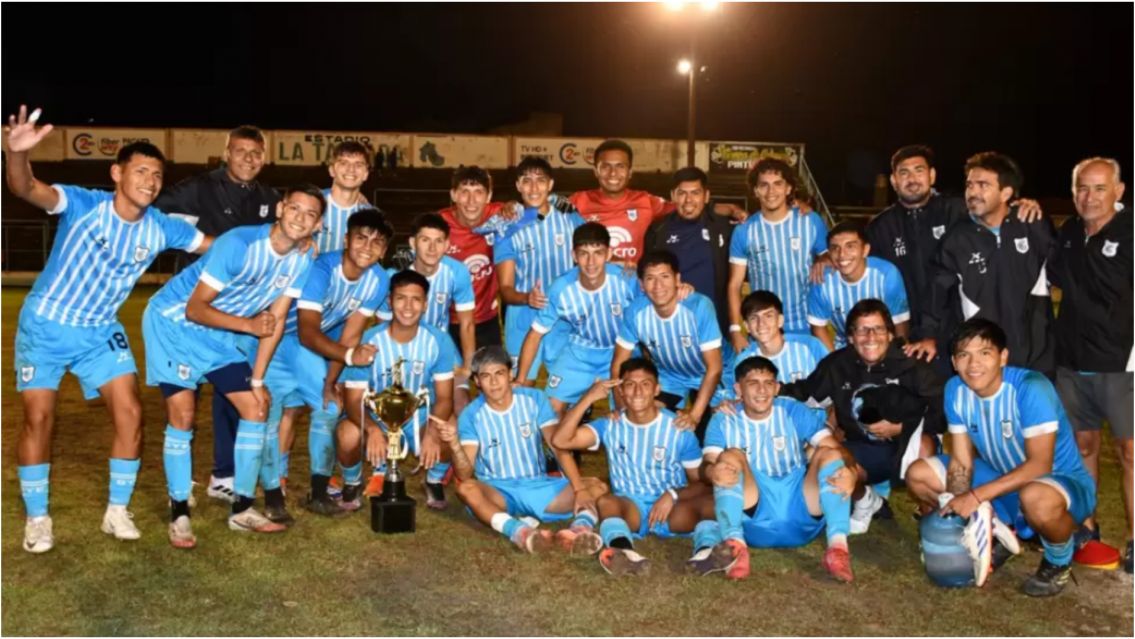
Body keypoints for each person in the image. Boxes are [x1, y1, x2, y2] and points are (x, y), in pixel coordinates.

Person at [7, 106, 209, 553]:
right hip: (47, 327)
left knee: (132, 412)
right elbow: (25, 188)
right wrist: (16, 154)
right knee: (38, 418)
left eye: (157, 175)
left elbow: (215, 247)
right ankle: (38, 518)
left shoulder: (162, 227)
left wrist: (276, 241)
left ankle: (116, 510)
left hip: (100, 332)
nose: (150, 182)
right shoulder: (83, 205)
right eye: (141, 171)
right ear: (117, 173)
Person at [144, 185, 324, 548]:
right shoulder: (238, 243)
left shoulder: (302, 259)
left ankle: (242, 508)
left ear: (317, 225)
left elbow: (275, 319)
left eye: (310, 214)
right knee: (183, 415)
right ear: (280, 209)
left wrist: (257, 379)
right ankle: (179, 511)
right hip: (173, 325)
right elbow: (195, 309)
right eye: (294, 208)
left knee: (256, 407)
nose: (300, 218)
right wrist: (248, 326)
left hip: (219, 334)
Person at [905, 319, 1097, 597]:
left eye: (984, 353)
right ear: (954, 362)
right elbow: (961, 460)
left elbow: (1040, 465)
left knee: (1036, 498)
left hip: (1058, 484)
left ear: (1003, 356)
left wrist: (975, 496)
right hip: (1003, 479)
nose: (974, 364)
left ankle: (1059, 558)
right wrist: (958, 505)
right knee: (918, 475)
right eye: (964, 355)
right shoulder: (955, 389)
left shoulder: (1031, 388)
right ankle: (995, 528)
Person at [155, 124, 281, 505]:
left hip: (240, 312)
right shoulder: (199, 188)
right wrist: (199, 243)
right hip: (193, 309)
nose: (248, 159)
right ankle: (179, 484)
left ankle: (223, 474)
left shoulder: (270, 198)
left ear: (264, 158)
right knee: (184, 397)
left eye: (255, 153)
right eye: (240, 151)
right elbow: (155, 213)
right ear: (226, 153)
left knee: (232, 392)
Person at [262, 209, 393, 516]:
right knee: (272, 413)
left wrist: (330, 381)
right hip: (278, 339)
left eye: (376, 242)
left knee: (329, 407)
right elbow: (307, 331)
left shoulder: (378, 280)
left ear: (385, 250)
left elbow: (351, 334)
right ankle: (273, 492)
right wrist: (345, 358)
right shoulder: (322, 268)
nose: (367, 247)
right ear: (346, 239)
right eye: (361, 238)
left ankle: (318, 493)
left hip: (311, 347)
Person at [867, 145, 1042, 371]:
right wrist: (826, 258)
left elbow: (995, 212)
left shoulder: (959, 210)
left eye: (919, 170)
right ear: (893, 180)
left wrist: (1020, 205)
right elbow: (860, 266)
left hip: (958, 330)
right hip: (905, 332)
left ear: (932, 175)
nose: (912, 179)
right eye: (904, 172)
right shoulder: (880, 227)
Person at [782, 299, 944, 534]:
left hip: (909, 445)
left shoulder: (912, 363)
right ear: (850, 337)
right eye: (862, 330)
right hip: (865, 448)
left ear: (890, 334)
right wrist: (768, 389)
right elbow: (805, 393)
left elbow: (943, 415)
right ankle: (866, 499)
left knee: (923, 444)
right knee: (830, 464)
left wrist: (902, 427)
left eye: (878, 329)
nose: (870, 337)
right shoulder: (839, 364)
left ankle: (932, 521)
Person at [552, 360, 720, 576]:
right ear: (621, 390)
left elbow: (702, 482)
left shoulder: (679, 428)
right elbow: (560, 440)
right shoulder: (609, 425)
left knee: (712, 500)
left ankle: (706, 552)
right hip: (630, 509)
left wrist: (672, 495)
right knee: (606, 501)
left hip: (670, 511)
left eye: (645, 384)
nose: (638, 391)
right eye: (630, 385)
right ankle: (623, 551)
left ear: (657, 389)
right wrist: (588, 398)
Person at [701, 356, 862, 582]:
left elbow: (836, 448)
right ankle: (735, 547)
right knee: (730, 457)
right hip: (754, 515)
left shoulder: (793, 410)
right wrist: (712, 472)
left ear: (777, 387)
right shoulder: (723, 419)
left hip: (801, 509)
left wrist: (852, 473)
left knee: (831, 454)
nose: (762, 390)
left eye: (768, 383)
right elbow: (706, 466)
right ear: (738, 389)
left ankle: (838, 549)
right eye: (753, 383)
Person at [433, 346, 607, 553]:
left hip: (538, 485)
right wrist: (454, 444)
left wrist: (578, 489)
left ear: (510, 374)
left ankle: (578, 531)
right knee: (466, 489)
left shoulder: (535, 399)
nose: (494, 382)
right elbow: (464, 474)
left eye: (499, 373)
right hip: (498, 491)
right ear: (477, 381)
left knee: (596, 487)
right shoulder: (471, 415)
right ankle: (519, 532)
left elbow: (557, 446)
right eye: (486, 376)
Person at [1048, 157, 1131, 572]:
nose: (1090, 197)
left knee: (1130, 452)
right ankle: (1086, 528)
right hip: (1072, 362)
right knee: (1082, 447)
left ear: (1119, 191)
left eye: (1100, 188)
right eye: (1082, 188)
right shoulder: (1068, 232)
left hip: (1122, 362)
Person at [922, 152, 1056, 377]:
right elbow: (936, 296)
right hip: (982, 365)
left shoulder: (1034, 225)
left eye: (983, 185)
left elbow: (1064, 269)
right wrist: (927, 334)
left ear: (1006, 193)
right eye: (969, 185)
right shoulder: (956, 240)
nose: (973, 192)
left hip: (1036, 361)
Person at [337, 270, 457, 510]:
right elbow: (353, 400)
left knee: (449, 428)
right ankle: (352, 482)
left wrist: (433, 433)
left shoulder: (438, 340)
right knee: (347, 433)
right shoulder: (369, 340)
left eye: (416, 299)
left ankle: (433, 480)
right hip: (378, 415)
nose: (408, 307)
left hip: (418, 415)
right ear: (390, 301)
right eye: (401, 298)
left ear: (425, 304)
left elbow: (445, 398)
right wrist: (372, 429)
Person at [514, 223, 641, 413]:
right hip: (580, 354)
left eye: (598, 253)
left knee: (629, 411)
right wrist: (520, 379)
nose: (591, 262)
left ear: (609, 254)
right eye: (583, 254)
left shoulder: (627, 280)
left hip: (620, 352)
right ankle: (577, 409)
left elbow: (656, 304)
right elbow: (535, 334)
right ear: (574, 256)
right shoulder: (560, 288)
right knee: (551, 411)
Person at [568, 140, 744, 265]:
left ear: (630, 172)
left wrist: (731, 209)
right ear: (595, 171)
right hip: (593, 287)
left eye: (620, 166)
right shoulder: (577, 201)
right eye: (606, 166)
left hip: (634, 289)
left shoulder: (646, 201)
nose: (613, 173)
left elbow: (686, 206)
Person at [611, 250, 723, 437]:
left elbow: (714, 368)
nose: (658, 286)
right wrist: (622, 410)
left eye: (665, 277)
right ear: (641, 285)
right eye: (650, 279)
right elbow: (618, 365)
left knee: (712, 432)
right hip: (671, 376)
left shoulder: (699, 306)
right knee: (644, 417)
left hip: (714, 376)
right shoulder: (635, 311)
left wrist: (694, 416)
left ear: (677, 279)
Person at [495, 157, 583, 381]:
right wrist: (528, 298)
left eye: (541, 180)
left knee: (565, 387)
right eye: (527, 181)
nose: (534, 188)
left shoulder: (570, 217)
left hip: (563, 317)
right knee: (522, 385)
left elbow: (594, 252)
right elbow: (505, 289)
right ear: (518, 186)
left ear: (550, 184)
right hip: (522, 316)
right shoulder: (506, 227)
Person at [728, 158, 828, 354]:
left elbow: (830, 257)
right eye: (764, 185)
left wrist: (824, 259)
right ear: (756, 190)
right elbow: (735, 285)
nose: (771, 191)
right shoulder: (744, 231)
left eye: (777, 184)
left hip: (805, 327)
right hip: (763, 330)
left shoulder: (810, 221)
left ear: (788, 188)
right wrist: (736, 330)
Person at [643, 167, 737, 342]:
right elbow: (647, 276)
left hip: (715, 327)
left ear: (706, 196)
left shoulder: (724, 228)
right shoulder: (658, 231)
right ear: (673, 196)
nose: (688, 200)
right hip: (671, 327)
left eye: (695, 193)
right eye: (682, 193)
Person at [377, 213, 476, 376]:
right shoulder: (392, 276)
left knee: (460, 391)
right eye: (425, 240)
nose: (432, 248)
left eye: (438, 241)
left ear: (447, 245)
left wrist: (468, 367)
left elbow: (467, 323)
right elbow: (383, 324)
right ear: (413, 243)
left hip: (440, 343)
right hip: (402, 345)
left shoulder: (457, 272)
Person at [806, 221, 909, 351]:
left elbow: (900, 325)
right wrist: (833, 360)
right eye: (835, 248)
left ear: (865, 250)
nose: (842, 255)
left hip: (882, 346)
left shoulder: (887, 274)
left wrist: (896, 357)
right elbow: (818, 328)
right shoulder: (821, 279)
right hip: (845, 347)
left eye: (850, 246)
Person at [439, 166, 505, 353]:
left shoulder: (500, 216)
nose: (471, 200)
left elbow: (534, 213)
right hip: (444, 320)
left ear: (489, 196)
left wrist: (515, 206)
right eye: (464, 192)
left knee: (494, 370)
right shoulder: (438, 225)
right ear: (453, 195)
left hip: (486, 320)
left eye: (478, 192)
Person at [721, 291, 829, 395]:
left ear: (780, 320)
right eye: (754, 318)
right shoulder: (743, 360)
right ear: (747, 326)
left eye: (768, 316)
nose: (761, 324)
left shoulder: (810, 346)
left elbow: (832, 383)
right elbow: (737, 398)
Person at [314, 141, 373, 254]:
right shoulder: (312, 204)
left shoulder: (372, 216)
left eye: (358, 165)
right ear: (332, 170)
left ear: (366, 174)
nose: (351, 169)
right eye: (344, 163)